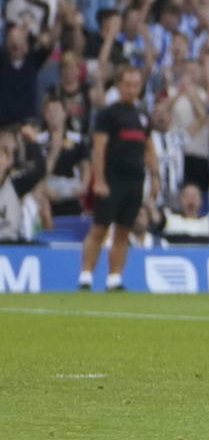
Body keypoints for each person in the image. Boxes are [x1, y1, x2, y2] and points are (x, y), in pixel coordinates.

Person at [78, 66, 161, 290]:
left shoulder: (142, 116)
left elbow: (149, 148)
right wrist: (100, 179)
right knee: (99, 228)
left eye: (136, 85)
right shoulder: (108, 114)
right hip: (112, 179)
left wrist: (154, 176)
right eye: (128, 84)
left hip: (134, 181)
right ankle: (85, 275)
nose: (132, 89)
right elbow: (98, 148)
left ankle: (114, 278)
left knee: (124, 229)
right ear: (119, 85)